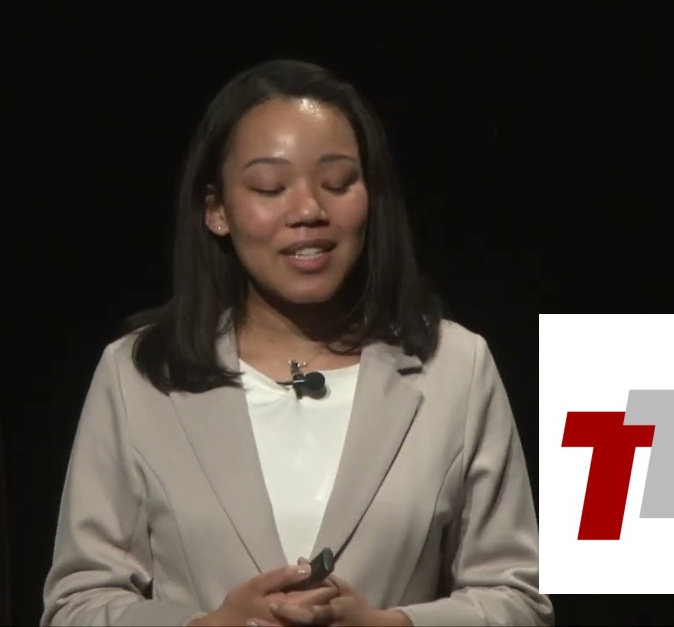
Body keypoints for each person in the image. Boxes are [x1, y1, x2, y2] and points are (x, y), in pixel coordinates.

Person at [41, 59, 553, 627]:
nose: (309, 211)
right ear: (216, 210)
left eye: (337, 183)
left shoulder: (454, 367)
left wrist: (392, 626)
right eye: (270, 187)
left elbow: (516, 598)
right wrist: (208, 626)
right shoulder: (138, 375)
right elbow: (77, 605)